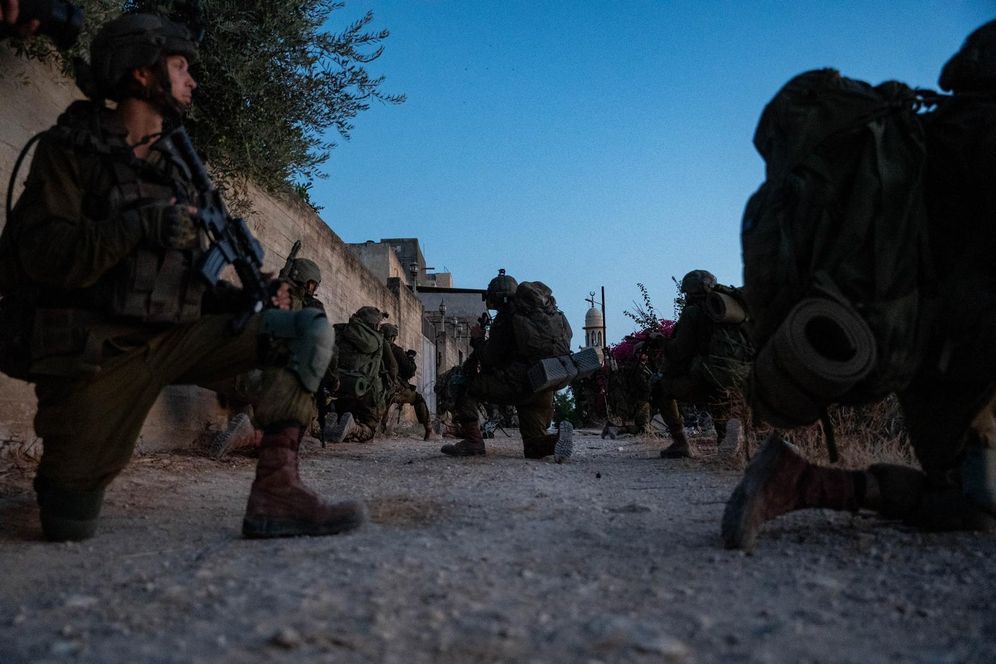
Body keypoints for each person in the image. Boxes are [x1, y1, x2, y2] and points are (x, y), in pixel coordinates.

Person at [0, 12, 363, 541]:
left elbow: (191, 278)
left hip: (176, 336)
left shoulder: (181, 171)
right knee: (67, 519)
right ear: (141, 73)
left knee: (304, 329)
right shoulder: (69, 150)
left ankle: (277, 492)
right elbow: (41, 257)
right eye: (180, 66)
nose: (192, 79)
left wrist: (250, 296)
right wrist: (138, 225)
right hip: (97, 352)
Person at [722, 22, 996, 551]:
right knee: (974, 504)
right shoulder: (971, 138)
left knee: (971, 502)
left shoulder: (925, 135)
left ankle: (807, 482)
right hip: (970, 359)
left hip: (922, 361)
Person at [441, 269, 574, 460]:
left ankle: (473, 441)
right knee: (532, 447)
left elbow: (490, 358)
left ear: (498, 299)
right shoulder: (543, 315)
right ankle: (557, 440)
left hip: (516, 384)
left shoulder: (507, 318)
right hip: (544, 384)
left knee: (462, 383)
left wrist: (478, 339)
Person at [207, 256, 329, 459]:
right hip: (252, 380)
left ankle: (245, 424)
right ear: (308, 283)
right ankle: (247, 434)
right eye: (313, 285)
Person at [650, 270, 734, 458]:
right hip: (729, 375)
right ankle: (724, 441)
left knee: (660, 388)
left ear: (690, 291)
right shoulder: (722, 311)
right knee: (718, 398)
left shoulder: (693, 312)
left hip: (703, 378)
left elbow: (679, 351)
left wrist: (661, 341)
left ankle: (680, 443)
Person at [327, 306, 390, 443]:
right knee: (370, 430)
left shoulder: (340, 330)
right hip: (364, 389)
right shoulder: (377, 339)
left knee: (339, 411)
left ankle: (328, 422)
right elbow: (391, 367)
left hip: (338, 385)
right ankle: (352, 428)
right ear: (373, 324)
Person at [379, 323, 439, 441]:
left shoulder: (374, 346)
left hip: (377, 385)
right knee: (418, 398)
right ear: (392, 337)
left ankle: (381, 429)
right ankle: (429, 430)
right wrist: (411, 358)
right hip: (392, 388)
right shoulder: (395, 350)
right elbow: (409, 371)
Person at [601, 348, 655, 439]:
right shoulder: (636, 369)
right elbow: (642, 385)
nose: (645, 355)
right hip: (637, 399)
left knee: (642, 427)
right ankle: (619, 429)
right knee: (642, 426)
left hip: (639, 399)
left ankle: (620, 429)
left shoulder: (644, 367)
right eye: (643, 353)